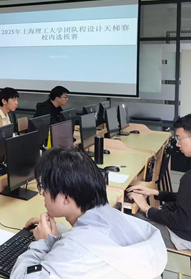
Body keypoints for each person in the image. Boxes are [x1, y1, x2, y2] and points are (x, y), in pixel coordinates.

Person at [11, 147, 167, 278]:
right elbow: (94, 239)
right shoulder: (123, 220)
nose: (43, 194)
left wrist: (43, 243)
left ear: (66, 198)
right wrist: (58, 233)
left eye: (44, 188)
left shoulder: (74, 253)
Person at [128, 114, 191, 250]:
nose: (177, 144)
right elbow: (187, 200)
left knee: (128, 221)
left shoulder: (188, 178)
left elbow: (183, 222)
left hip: (182, 236)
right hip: (185, 227)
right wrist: (156, 193)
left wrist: (147, 208)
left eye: (179, 138)